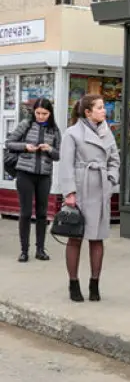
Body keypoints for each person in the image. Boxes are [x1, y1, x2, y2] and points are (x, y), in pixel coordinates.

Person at [59, 94, 120, 303]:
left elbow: (114, 160)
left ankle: (95, 283)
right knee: (75, 237)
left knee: (97, 238)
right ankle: (73, 283)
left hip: (101, 189)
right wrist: (69, 192)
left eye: (104, 107)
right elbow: (66, 164)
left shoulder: (107, 132)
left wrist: (111, 179)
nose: (104, 111)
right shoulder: (72, 133)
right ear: (87, 112)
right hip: (80, 188)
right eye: (100, 107)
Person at [5, 98, 60, 262]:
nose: (41, 117)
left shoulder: (54, 129)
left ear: (50, 113)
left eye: (44, 114)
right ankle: (24, 251)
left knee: (42, 214)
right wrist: (25, 147)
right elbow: (9, 143)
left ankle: (40, 250)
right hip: (25, 173)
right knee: (26, 213)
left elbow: (58, 155)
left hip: (44, 175)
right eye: (38, 113)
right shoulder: (26, 124)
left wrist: (49, 149)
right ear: (34, 112)